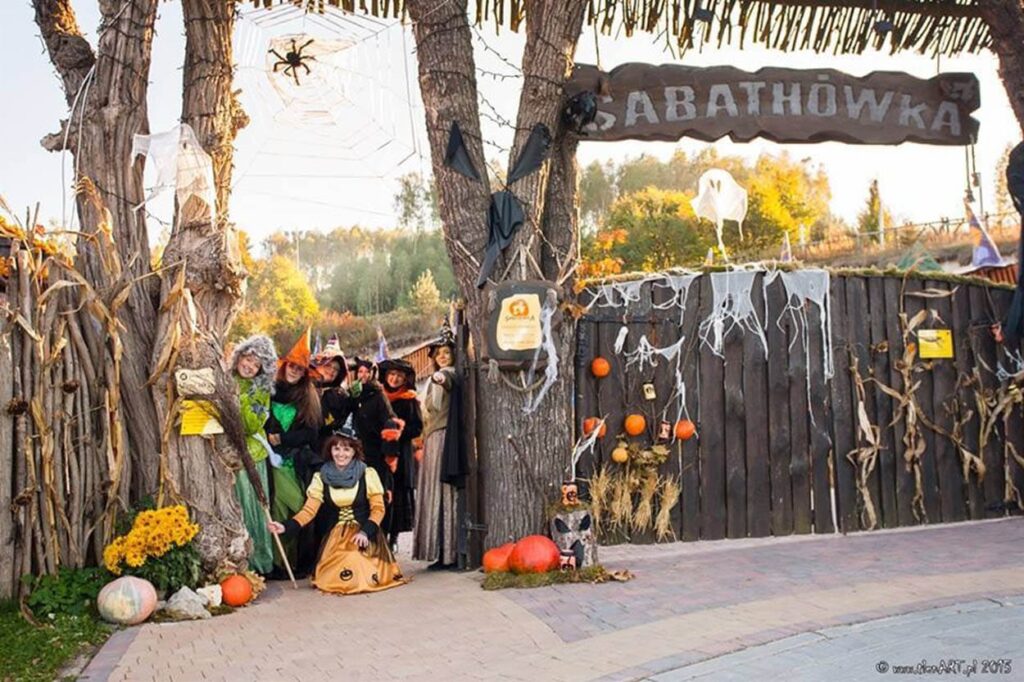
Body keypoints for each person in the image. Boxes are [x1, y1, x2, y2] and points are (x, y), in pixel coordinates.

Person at [268, 429, 406, 595]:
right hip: (336, 537)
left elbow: (378, 509)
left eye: (346, 449)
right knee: (334, 573)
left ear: (354, 452)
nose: (341, 454)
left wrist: (365, 532)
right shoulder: (321, 477)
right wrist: (286, 526)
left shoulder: (367, 474)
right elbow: (309, 510)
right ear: (330, 450)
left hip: (364, 535)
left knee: (355, 562)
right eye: (336, 448)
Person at [265, 329, 323, 577]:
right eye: (292, 366)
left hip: (296, 462)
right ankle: (280, 563)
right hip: (272, 461)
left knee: (300, 506)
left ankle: (300, 561)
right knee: (278, 506)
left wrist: (283, 438)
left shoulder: (307, 397)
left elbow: (311, 432)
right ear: (284, 365)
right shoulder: (268, 391)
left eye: (300, 369)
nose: (294, 371)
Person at [412, 320, 466, 568]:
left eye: (447, 352)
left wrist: (439, 377)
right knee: (436, 493)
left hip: (442, 438)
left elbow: (446, 380)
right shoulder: (435, 378)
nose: (443, 357)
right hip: (433, 438)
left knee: (442, 493)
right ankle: (442, 551)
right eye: (439, 354)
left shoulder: (447, 374)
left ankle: (448, 553)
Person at [228, 334, 278, 576]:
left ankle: (259, 563)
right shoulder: (225, 379)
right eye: (248, 359)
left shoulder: (261, 391)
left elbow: (250, 425)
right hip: (226, 454)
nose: (249, 366)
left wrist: (241, 398)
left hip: (252, 456)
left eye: (256, 365)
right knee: (234, 506)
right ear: (239, 356)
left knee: (254, 508)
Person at [378, 358, 423, 550]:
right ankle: (379, 534)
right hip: (380, 450)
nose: (395, 379)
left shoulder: (409, 399)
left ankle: (393, 537)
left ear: (405, 379)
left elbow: (417, 427)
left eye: (399, 376)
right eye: (392, 374)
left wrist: (398, 432)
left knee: (397, 493)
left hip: (401, 453)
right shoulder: (378, 396)